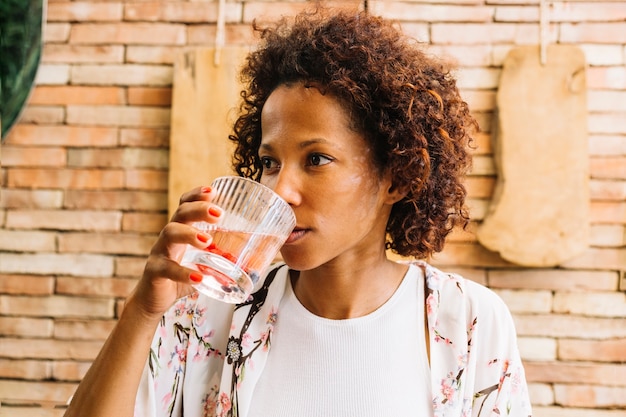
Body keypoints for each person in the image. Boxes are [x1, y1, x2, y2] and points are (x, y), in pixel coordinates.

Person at [64, 7, 532, 417]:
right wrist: (144, 311)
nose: (280, 189)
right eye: (270, 163)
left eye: (316, 159)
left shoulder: (469, 322)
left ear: (397, 177)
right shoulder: (205, 317)